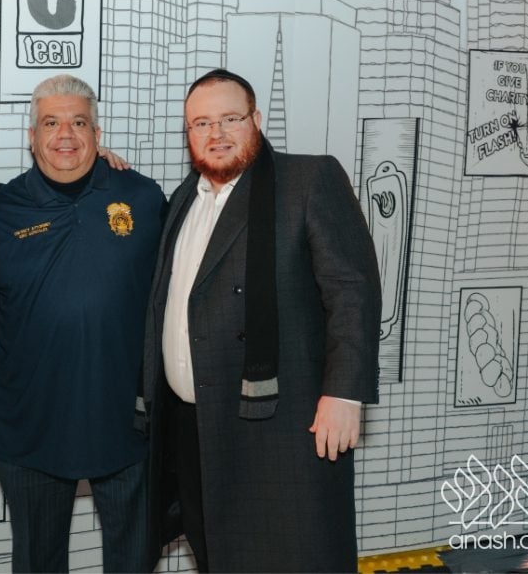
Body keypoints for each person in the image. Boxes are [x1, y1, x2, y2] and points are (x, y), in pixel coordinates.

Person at [140, 68, 381, 572]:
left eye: (230, 118)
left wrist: (344, 394)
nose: (216, 133)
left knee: (294, 559)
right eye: (201, 123)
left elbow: (352, 290)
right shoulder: (182, 199)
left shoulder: (307, 180)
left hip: (283, 424)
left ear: (257, 119)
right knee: (216, 557)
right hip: (192, 427)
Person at [0, 74, 166, 572]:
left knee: (135, 562)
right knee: (37, 563)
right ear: (31, 137)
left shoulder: (143, 197)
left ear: (97, 133)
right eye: (51, 123)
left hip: (128, 424)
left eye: (79, 123)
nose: (65, 135)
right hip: (31, 427)